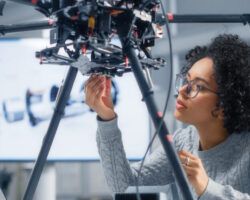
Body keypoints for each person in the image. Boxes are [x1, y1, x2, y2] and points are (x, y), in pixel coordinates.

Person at [84, 34, 250, 199]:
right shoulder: (182, 141)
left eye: (199, 86)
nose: (183, 91)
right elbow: (124, 186)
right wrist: (107, 119)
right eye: (187, 80)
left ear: (224, 104)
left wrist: (207, 188)